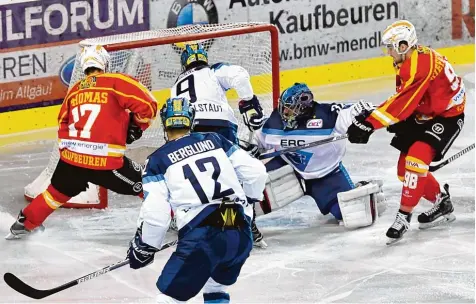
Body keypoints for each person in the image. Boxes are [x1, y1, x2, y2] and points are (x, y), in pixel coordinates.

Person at [6, 45, 158, 240]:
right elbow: (149, 105)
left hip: (71, 158)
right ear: (105, 62)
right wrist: (137, 126)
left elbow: (62, 121)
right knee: (146, 182)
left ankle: (25, 224)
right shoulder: (115, 81)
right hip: (103, 161)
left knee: (56, 193)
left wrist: (68, 151)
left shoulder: (75, 90)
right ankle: (173, 219)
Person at [127, 96, 267, 303]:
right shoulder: (215, 140)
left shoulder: (157, 160)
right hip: (239, 231)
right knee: (216, 287)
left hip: (202, 235)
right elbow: (257, 172)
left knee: (169, 298)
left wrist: (146, 246)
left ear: (165, 123)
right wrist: (248, 201)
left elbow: (157, 215)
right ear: (190, 120)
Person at [346, 20, 465, 244]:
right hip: (424, 113)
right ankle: (442, 201)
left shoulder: (420, 65)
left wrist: (370, 123)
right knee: (405, 171)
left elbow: (403, 102)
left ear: (403, 45)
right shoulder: (406, 60)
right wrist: (378, 115)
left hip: (447, 117)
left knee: (416, 161)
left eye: (390, 47)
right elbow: (402, 99)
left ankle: (403, 217)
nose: (388, 52)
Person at [245, 83, 386, 246]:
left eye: (290, 109)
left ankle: (367, 189)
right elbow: (256, 140)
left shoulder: (328, 116)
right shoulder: (275, 122)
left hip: (328, 175)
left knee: (356, 216)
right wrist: (252, 150)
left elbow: (360, 109)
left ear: (303, 108)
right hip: (288, 167)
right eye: (284, 107)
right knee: (252, 197)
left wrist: (367, 121)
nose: (284, 113)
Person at [170, 43, 266, 144]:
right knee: (230, 158)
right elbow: (240, 77)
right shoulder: (212, 70)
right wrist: (248, 102)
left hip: (191, 128)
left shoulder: (175, 86)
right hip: (221, 122)